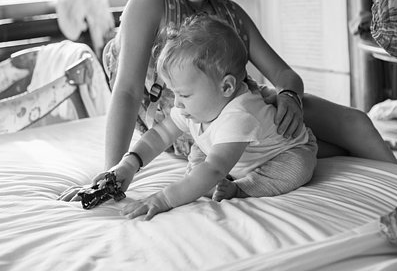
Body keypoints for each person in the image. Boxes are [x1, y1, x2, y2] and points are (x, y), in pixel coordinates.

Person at [59, 0, 395, 202]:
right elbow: (128, 91)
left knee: (357, 125)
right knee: (320, 149)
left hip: (248, 109)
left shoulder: (229, 13)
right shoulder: (152, 0)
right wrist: (112, 176)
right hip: (198, 127)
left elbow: (283, 74)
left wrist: (289, 96)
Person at [112, 15, 318, 219]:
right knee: (199, 153)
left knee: (298, 167)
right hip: (230, 155)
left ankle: (241, 188)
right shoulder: (195, 107)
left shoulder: (239, 115)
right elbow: (161, 134)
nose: (176, 103)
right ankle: (205, 182)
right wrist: (129, 164)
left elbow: (214, 169)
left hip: (282, 154)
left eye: (183, 94)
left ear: (226, 87)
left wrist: (163, 199)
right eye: (174, 93)